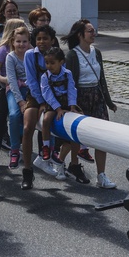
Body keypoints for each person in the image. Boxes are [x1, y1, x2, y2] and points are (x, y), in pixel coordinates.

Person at [63, 19, 118, 189]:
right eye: (90, 31)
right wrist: (70, 103)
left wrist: (108, 102)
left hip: (97, 97)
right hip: (80, 97)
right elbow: (69, 81)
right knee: (74, 135)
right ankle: (60, 161)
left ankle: (101, 175)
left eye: (94, 31)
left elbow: (102, 80)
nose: (93, 34)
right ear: (80, 35)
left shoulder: (97, 52)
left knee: (102, 136)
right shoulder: (72, 55)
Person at [20, 24, 56, 189]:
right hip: (35, 96)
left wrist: (51, 102)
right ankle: (27, 171)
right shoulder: (30, 55)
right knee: (28, 128)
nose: (42, 42)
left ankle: (57, 160)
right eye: (39, 38)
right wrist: (42, 102)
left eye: (45, 38)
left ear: (52, 40)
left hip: (54, 96)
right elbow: (32, 81)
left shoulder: (57, 54)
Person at [40, 47, 81, 181]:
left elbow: (71, 89)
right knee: (46, 120)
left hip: (66, 103)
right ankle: (46, 147)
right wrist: (57, 109)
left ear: (61, 62)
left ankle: (83, 149)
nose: (49, 66)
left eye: (52, 63)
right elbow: (47, 94)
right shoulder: (45, 76)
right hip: (53, 104)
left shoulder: (67, 73)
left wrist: (72, 106)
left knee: (80, 118)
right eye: (47, 63)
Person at [2, 24, 32, 173]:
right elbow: (12, 81)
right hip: (15, 90)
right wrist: (20, 101)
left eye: (24, 41)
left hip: (31, 90)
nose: (21, 44)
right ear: (13, 42)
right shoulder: (11, 57)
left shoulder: (32, 54)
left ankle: (49, 149)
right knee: (14, 114)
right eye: (18, 41)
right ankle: (14, 149)